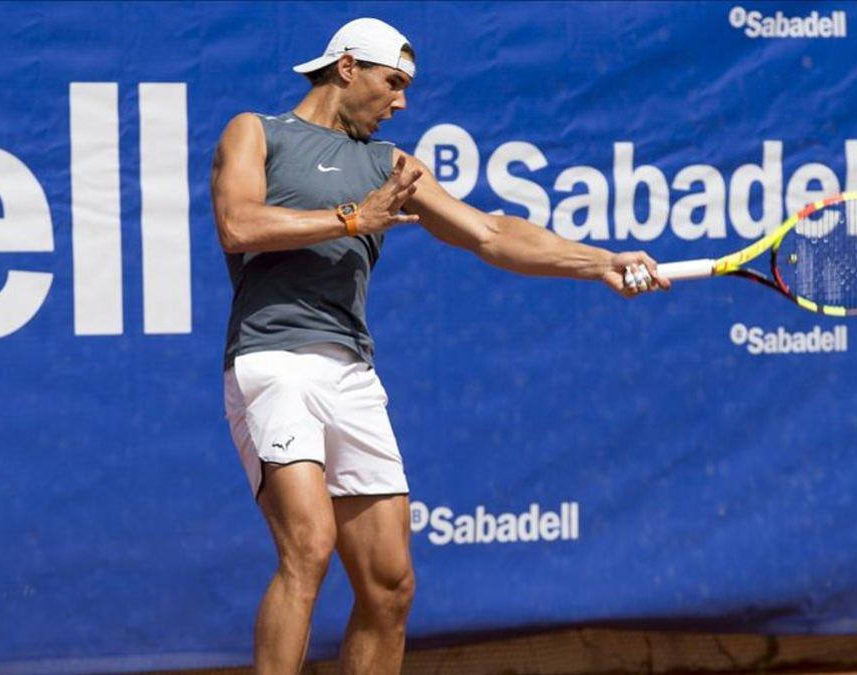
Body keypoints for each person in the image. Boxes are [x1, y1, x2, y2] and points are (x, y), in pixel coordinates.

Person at [210, 17, 668, 675]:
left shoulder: (390, 165)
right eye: (392, 83)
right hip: (273, 357)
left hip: (349, 373)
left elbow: (489, 231)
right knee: (309, 547)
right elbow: (237, 223)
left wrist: (598, 261)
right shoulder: (257, 131)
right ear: (347, 68)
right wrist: (351, 218)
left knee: (390, 584)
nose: (401, 101)